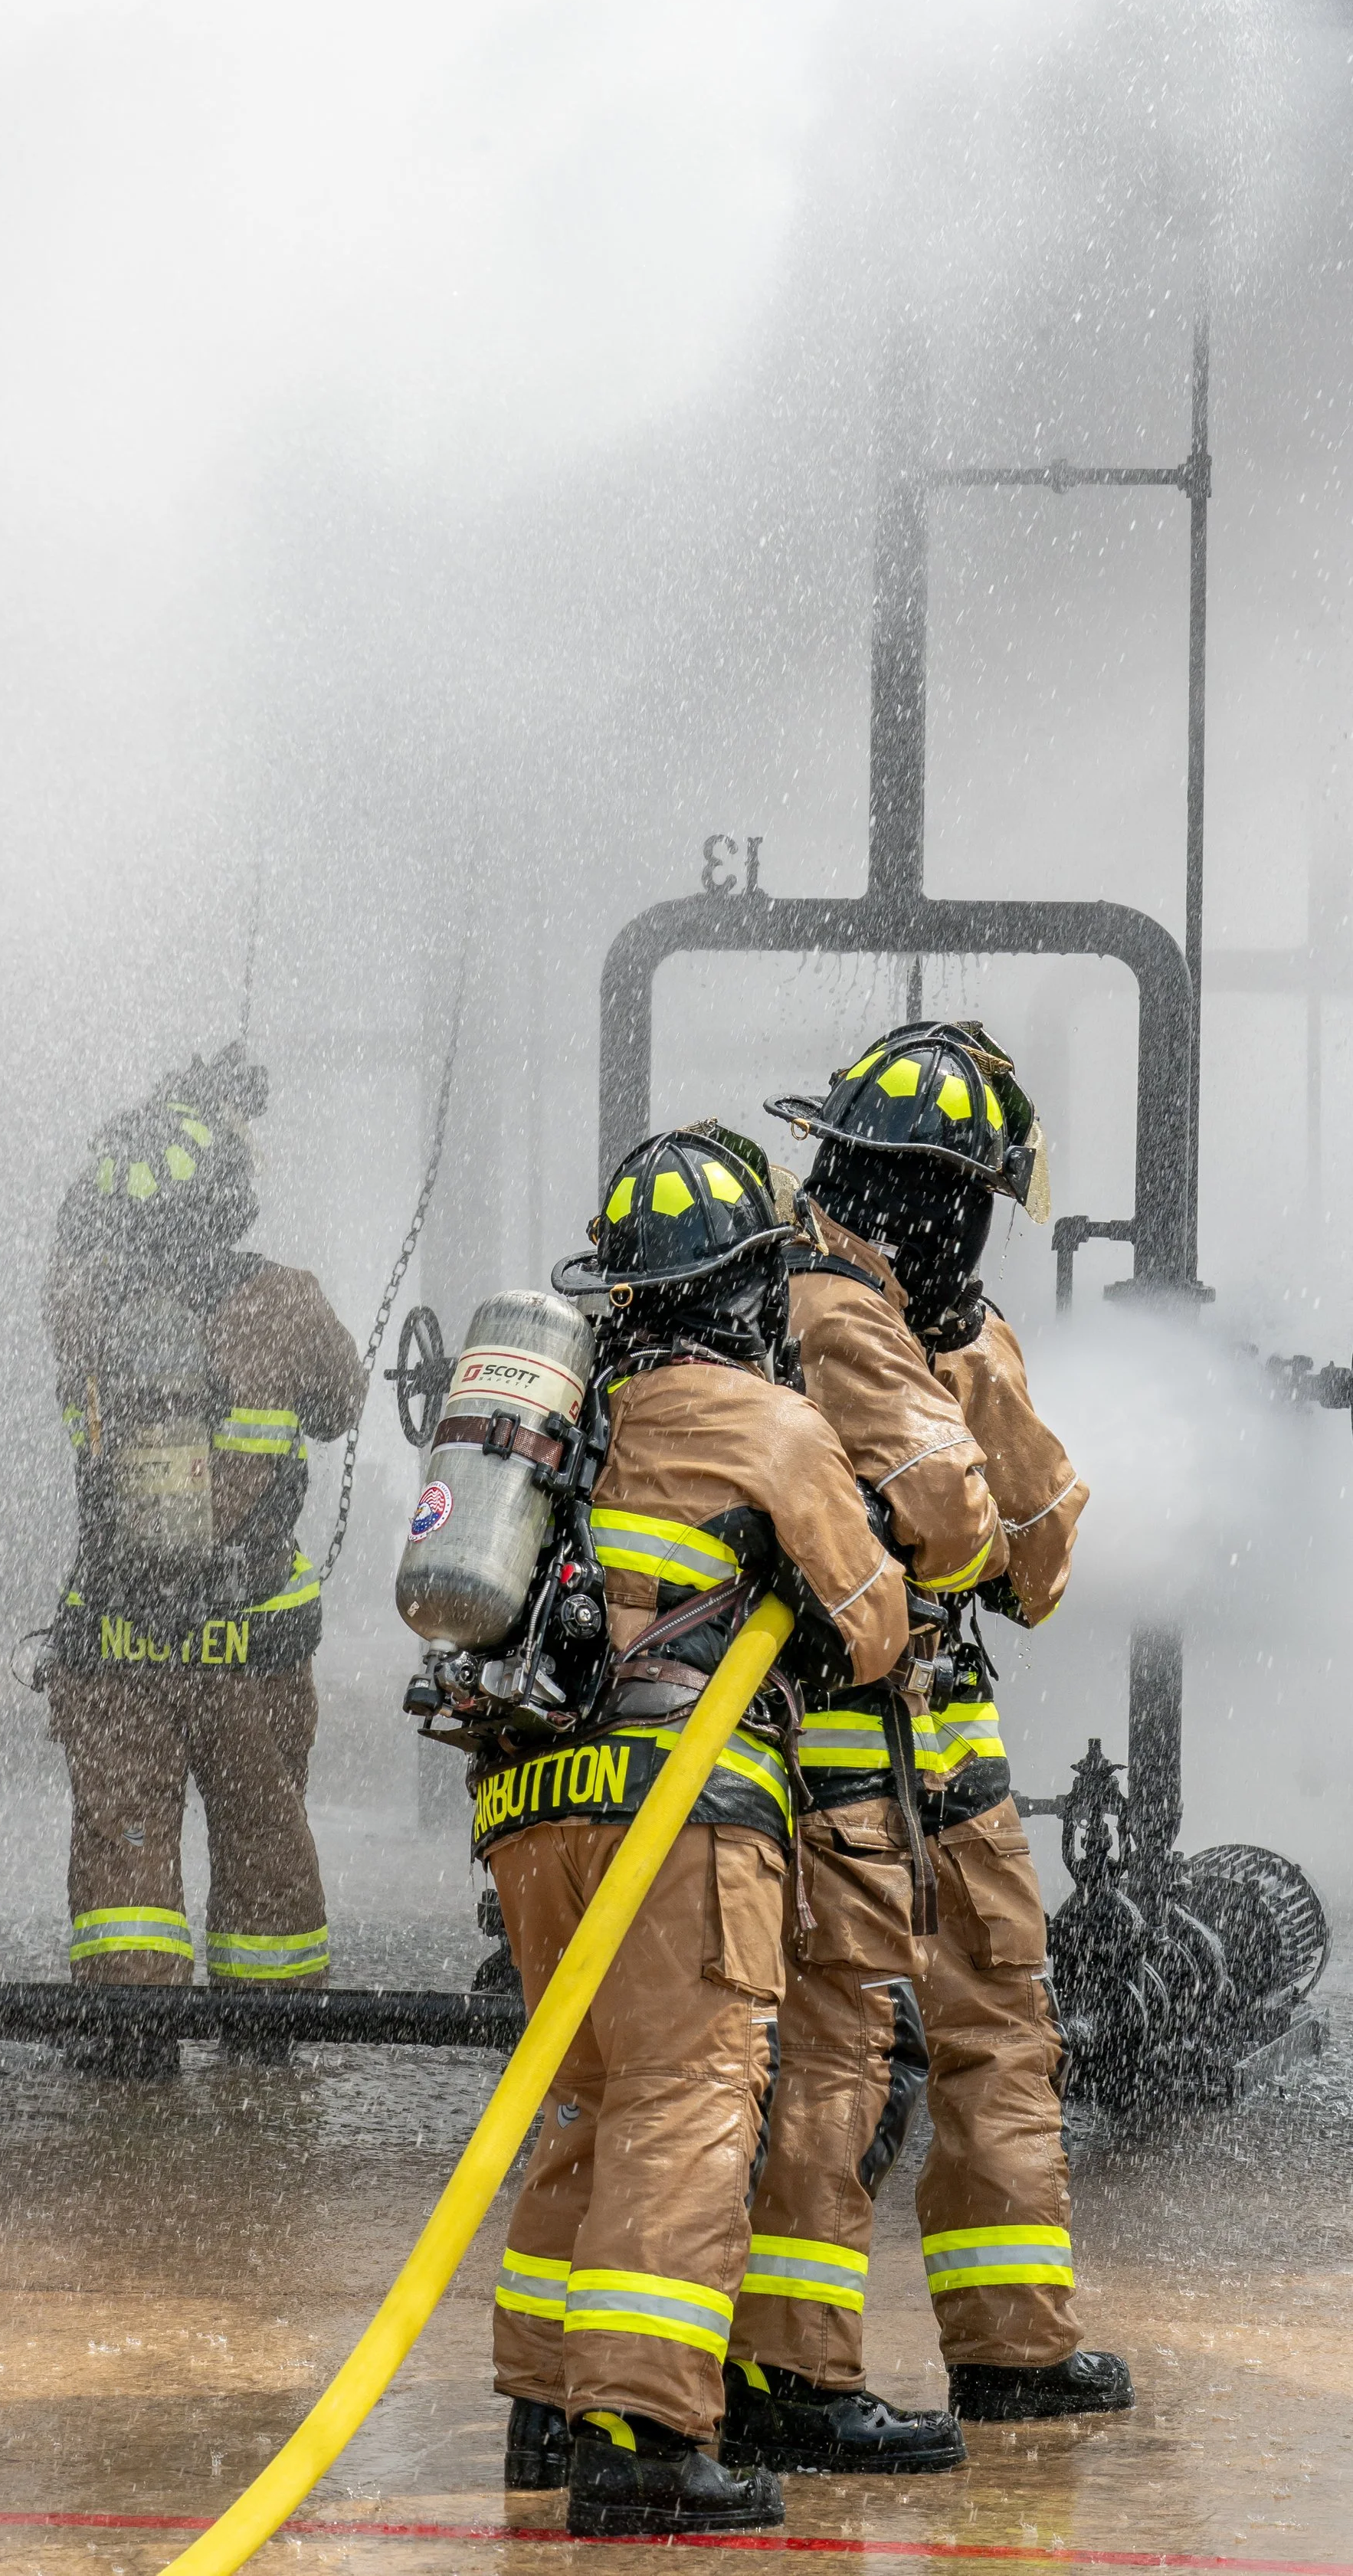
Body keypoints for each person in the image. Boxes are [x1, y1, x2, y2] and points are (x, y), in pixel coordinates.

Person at [471, 1124, 907, 2540]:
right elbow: (874, 1628)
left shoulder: (567, 1409)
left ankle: (547, 2403)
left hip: (529, 1810)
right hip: (681, 1818)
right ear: (744, 1284)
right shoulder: (768, 1422)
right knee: (690, 2093)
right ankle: (646, 2429)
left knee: (595, 2090)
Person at [718, 1022, 1130, 2479]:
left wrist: (967, 1351)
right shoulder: (820, 1299)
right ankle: (792, 2365)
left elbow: (1043, 1554)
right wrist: (952, 1401)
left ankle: (1012, 2341)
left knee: (1002, 2020)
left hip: (948, 1742)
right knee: (846, 2053)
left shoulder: (944, 1318)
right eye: (945, 1194)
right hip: (838, 1748)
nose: (951, 1226)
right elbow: (951, 1516)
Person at [41, 1043, 364, 2004]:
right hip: (250, 1637)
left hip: (114, 1634)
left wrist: (162, 1116)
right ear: (229, 1199)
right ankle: (266, 2031)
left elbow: (70, 1238)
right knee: (263, 1827)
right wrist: (217, 1128)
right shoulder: (287, 1301)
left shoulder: (83, 1305)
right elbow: (339, 1407)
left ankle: (131, 2024)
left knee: (124, 1838)